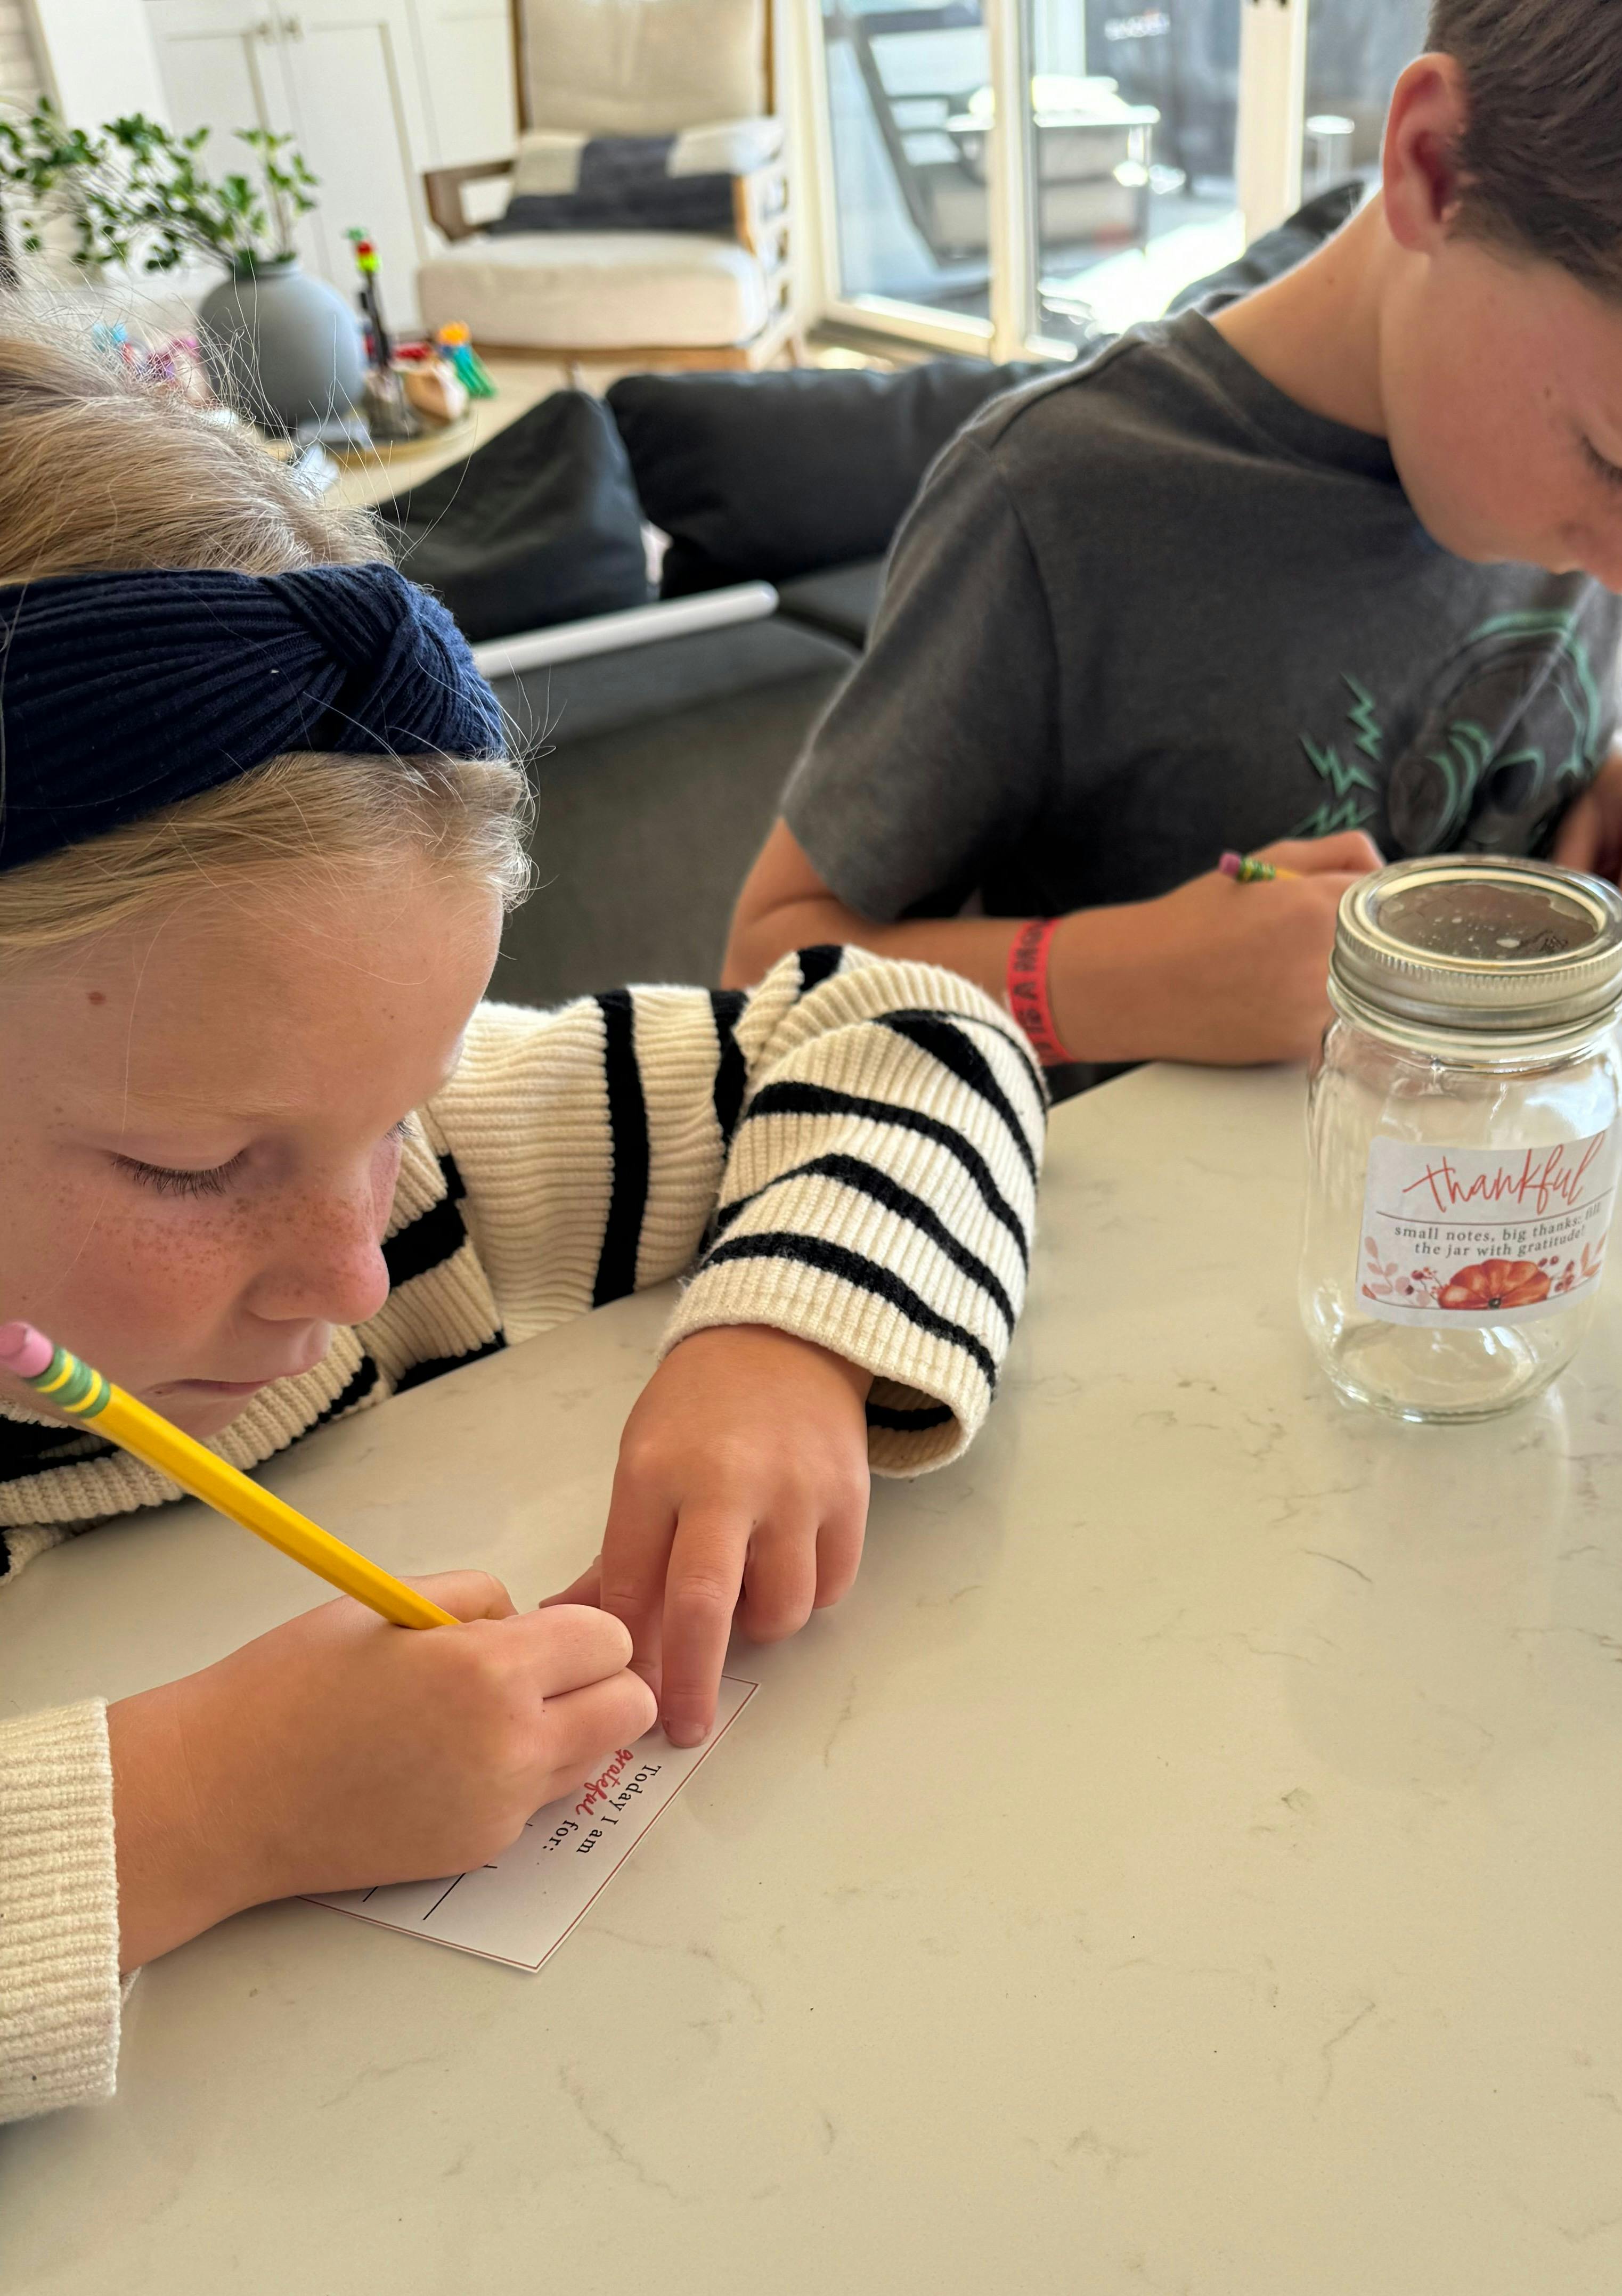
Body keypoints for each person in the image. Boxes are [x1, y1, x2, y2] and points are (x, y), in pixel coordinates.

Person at [0, 334, 1042, 2123]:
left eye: (393, 1102)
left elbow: (914, 1030)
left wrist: (783, 1339)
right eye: (191, 1170)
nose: (351, 1268)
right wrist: (207, 1805)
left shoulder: (438, 1168)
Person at [724, 0, 1622, 1074]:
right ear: (1439, 168)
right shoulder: (1056, 505)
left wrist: (1617, 765)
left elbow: (1502, 698)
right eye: (1617, 462)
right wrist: (1116, 983)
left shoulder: (1556, 406)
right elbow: (763, 971)